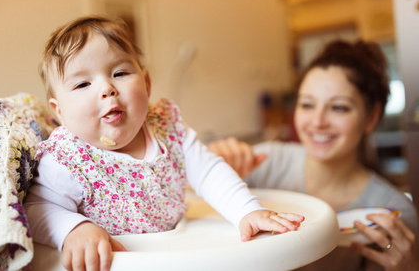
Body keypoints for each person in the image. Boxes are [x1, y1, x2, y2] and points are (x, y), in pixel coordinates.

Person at [23, 16, 304, 271]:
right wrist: (73, 229)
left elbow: (209, 172)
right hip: (118, 262)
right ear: (58, 111)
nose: (107, 88)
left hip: (178, 253)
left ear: (146, 83)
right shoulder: (66, 158)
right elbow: (37, 209)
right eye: (82, 84)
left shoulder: (167, 127)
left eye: (119, 73)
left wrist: (247, 210)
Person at [209, 40, 419, 271]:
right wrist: (209, 169)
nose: (318, 122)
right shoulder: (267, 162)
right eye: (307, 105)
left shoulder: (392, 212)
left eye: (339, 107)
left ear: (370, 117)